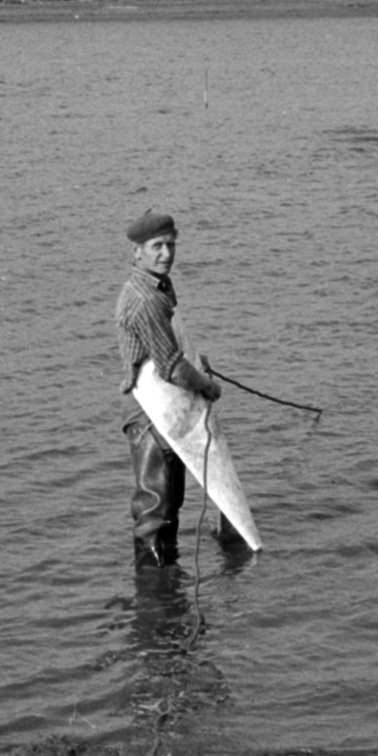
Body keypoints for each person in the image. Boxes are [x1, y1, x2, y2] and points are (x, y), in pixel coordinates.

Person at [114, 210, 222, 569]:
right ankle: (153, 593)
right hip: (148, 417)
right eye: (157, 246)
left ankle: (167, 592)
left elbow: (172, 349)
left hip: (164, 410)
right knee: (155, 513)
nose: (166, 253)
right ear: (137, 252)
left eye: (171, 245)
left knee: (169, 506)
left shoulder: (156, 287)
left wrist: (195, 359)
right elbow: (172, 367)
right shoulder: (146, 300)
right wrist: (206, 385)